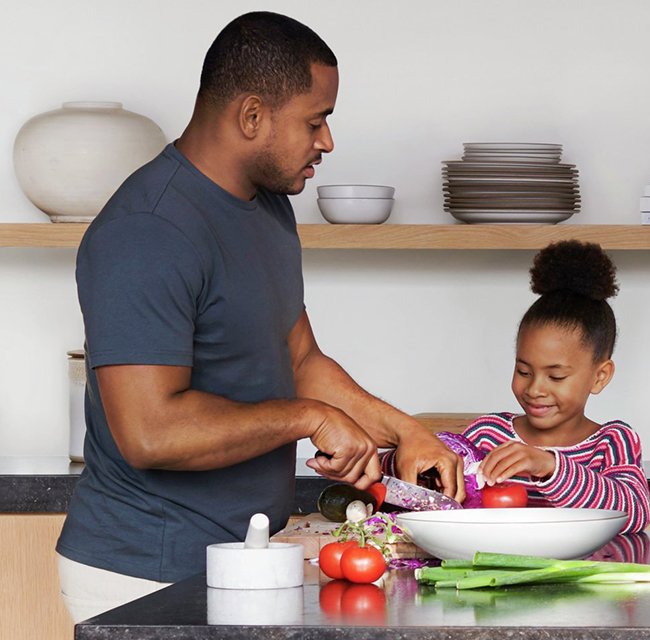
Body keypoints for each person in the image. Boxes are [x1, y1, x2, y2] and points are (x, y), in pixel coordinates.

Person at [56, 12, 463, 620]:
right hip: (142, 572)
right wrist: (309, 418)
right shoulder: (147, 231)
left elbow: (300, 360)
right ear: (251, 116)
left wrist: (407, 433)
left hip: (242, 558)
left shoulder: (267, 207)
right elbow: (149, 432)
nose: (327, 141)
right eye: (315, 121)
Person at [460, 240, 650, 533]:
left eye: (556, 377)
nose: (535, 389)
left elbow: (635, 513)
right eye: (524, 371)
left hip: (588, 565)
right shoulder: (487, 435)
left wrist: (549, 466)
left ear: (600, 376)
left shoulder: (611, 442)